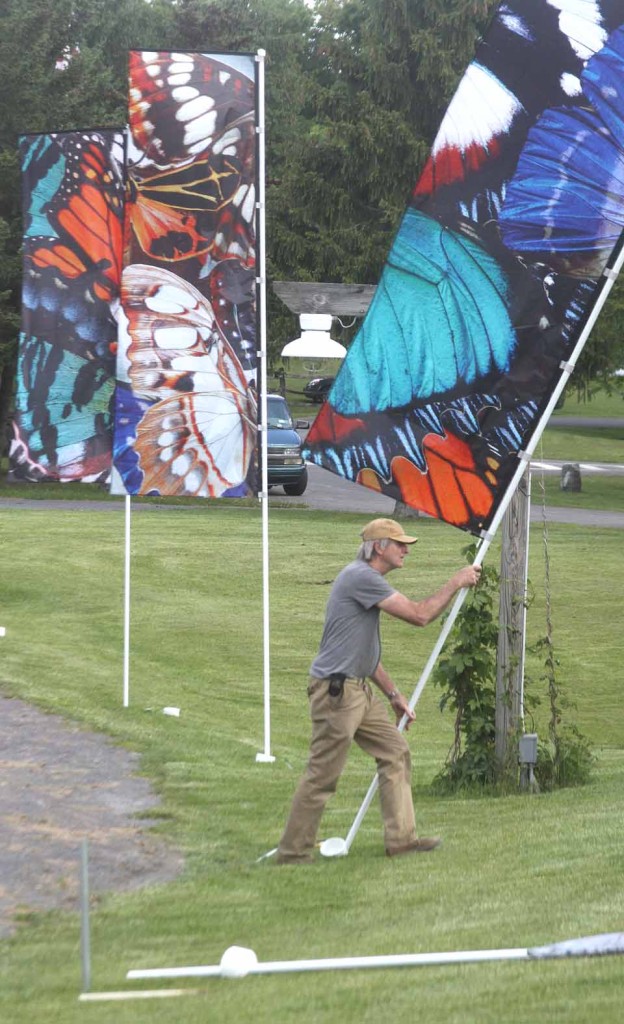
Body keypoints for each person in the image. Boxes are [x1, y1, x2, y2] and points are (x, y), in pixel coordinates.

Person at [275, 517, 482, 864]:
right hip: (337, 693)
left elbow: (364, 653)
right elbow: (419, 615)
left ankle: (402, 841)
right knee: (322, 774)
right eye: (399, 543)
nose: (405, 550)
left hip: (358, 689)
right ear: (378, 547)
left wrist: (393, 695)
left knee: (395, 752)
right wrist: (456, 582)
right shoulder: (361, 577)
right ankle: (292, 853)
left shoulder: (365, 581)